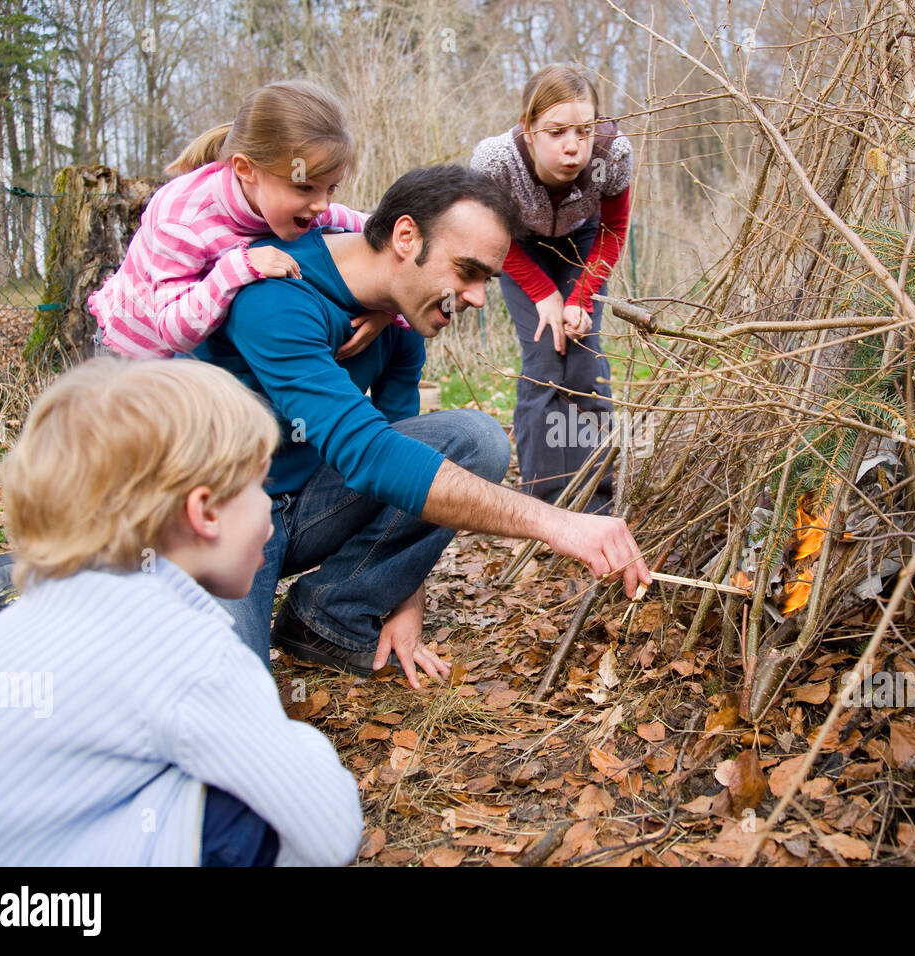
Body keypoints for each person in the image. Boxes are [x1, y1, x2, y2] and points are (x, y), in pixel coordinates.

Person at [193, 164, 651, 688]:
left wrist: (401, 601)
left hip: (305, 506)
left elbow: (400, 469)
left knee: (474, 439)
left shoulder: (398, 323)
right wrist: (555, 522)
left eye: (487, 280)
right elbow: (368, 454)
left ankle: (326, 615)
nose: (477, 297)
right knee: (232, 701)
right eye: (467, 271)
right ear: (405, 236)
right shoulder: (275, 295)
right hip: (224, 516)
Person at [0, 358, 363, 865]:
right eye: (260, 487)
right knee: (243, 820)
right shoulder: (186, 651)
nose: (268, 508)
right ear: (205, 512)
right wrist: (298, 745)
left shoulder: (8, 634)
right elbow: (332, 833)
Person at [88, 79, 395, 361]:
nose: (321, 205)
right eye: (304, 187)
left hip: (198, 360)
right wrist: (238, 267)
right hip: (132, 354)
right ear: (246, 170)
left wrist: (389, 308)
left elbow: (383, 236)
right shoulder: (184, 220)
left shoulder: (305, 207)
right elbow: (173, 332)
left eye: (331, 188)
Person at [471, 64, 634, 514]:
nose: (573, 146)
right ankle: (544, 505)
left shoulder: (613, 155)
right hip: (517, 245)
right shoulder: (494, 162)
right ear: (528, 128)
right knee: (544, 360)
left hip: (582, 242)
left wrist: (579, 298)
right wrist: (544, 294)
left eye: (584, 130)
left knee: (584, 363)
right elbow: (490, 236)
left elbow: (615, 229)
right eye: (557, 131)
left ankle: (596, 501)